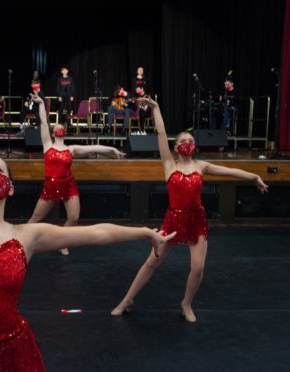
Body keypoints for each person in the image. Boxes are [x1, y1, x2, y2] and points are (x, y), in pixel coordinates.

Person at [0, 47, 175, 370]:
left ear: (11, 188)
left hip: (16, 354)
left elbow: (96, 233)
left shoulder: (26, 236)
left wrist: (143, 233)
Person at [110, 97, 268, 323]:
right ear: (176, 147)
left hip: (196, 220)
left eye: (191, 140)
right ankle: (126, 301)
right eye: (183, 140)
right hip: (173, 219)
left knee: (197, 267)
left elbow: (229, 170)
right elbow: (162, 134)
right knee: (152, 261)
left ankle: (186, 303)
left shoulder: (201, 166)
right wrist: (156, 108)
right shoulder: (169, 165)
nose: (187, 143)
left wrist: (254, 176)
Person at [28, 94, 126, 255]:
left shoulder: (71, 149)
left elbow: (93, 148)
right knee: (35, 218)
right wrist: (40, 104)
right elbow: (44, 122)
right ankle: (24, 241)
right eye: (56, 127)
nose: (59, 128)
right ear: (53, 133)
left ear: (64, 132)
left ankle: (61, 242)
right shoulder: (47, 145)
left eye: (61, 126)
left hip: (68, 184)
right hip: (51, 185)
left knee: (73, 218)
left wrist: (111, 149)